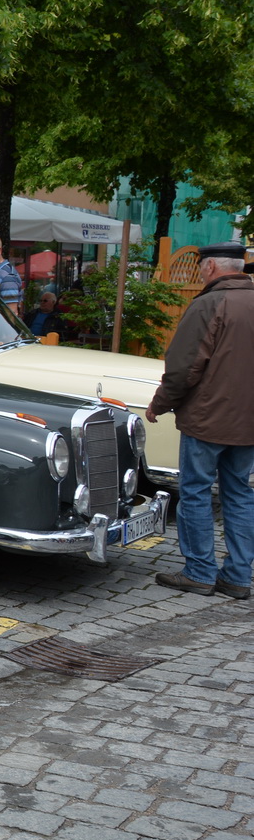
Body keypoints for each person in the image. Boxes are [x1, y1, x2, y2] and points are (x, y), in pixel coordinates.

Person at [146, 242, 254, 599]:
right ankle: (238, 577)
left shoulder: (209, 303)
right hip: (248, 421)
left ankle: (200, 572)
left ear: (209, 268)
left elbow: (184, 367)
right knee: (238, 494)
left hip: (208, 418)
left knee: (194, 492)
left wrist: (159, 404)